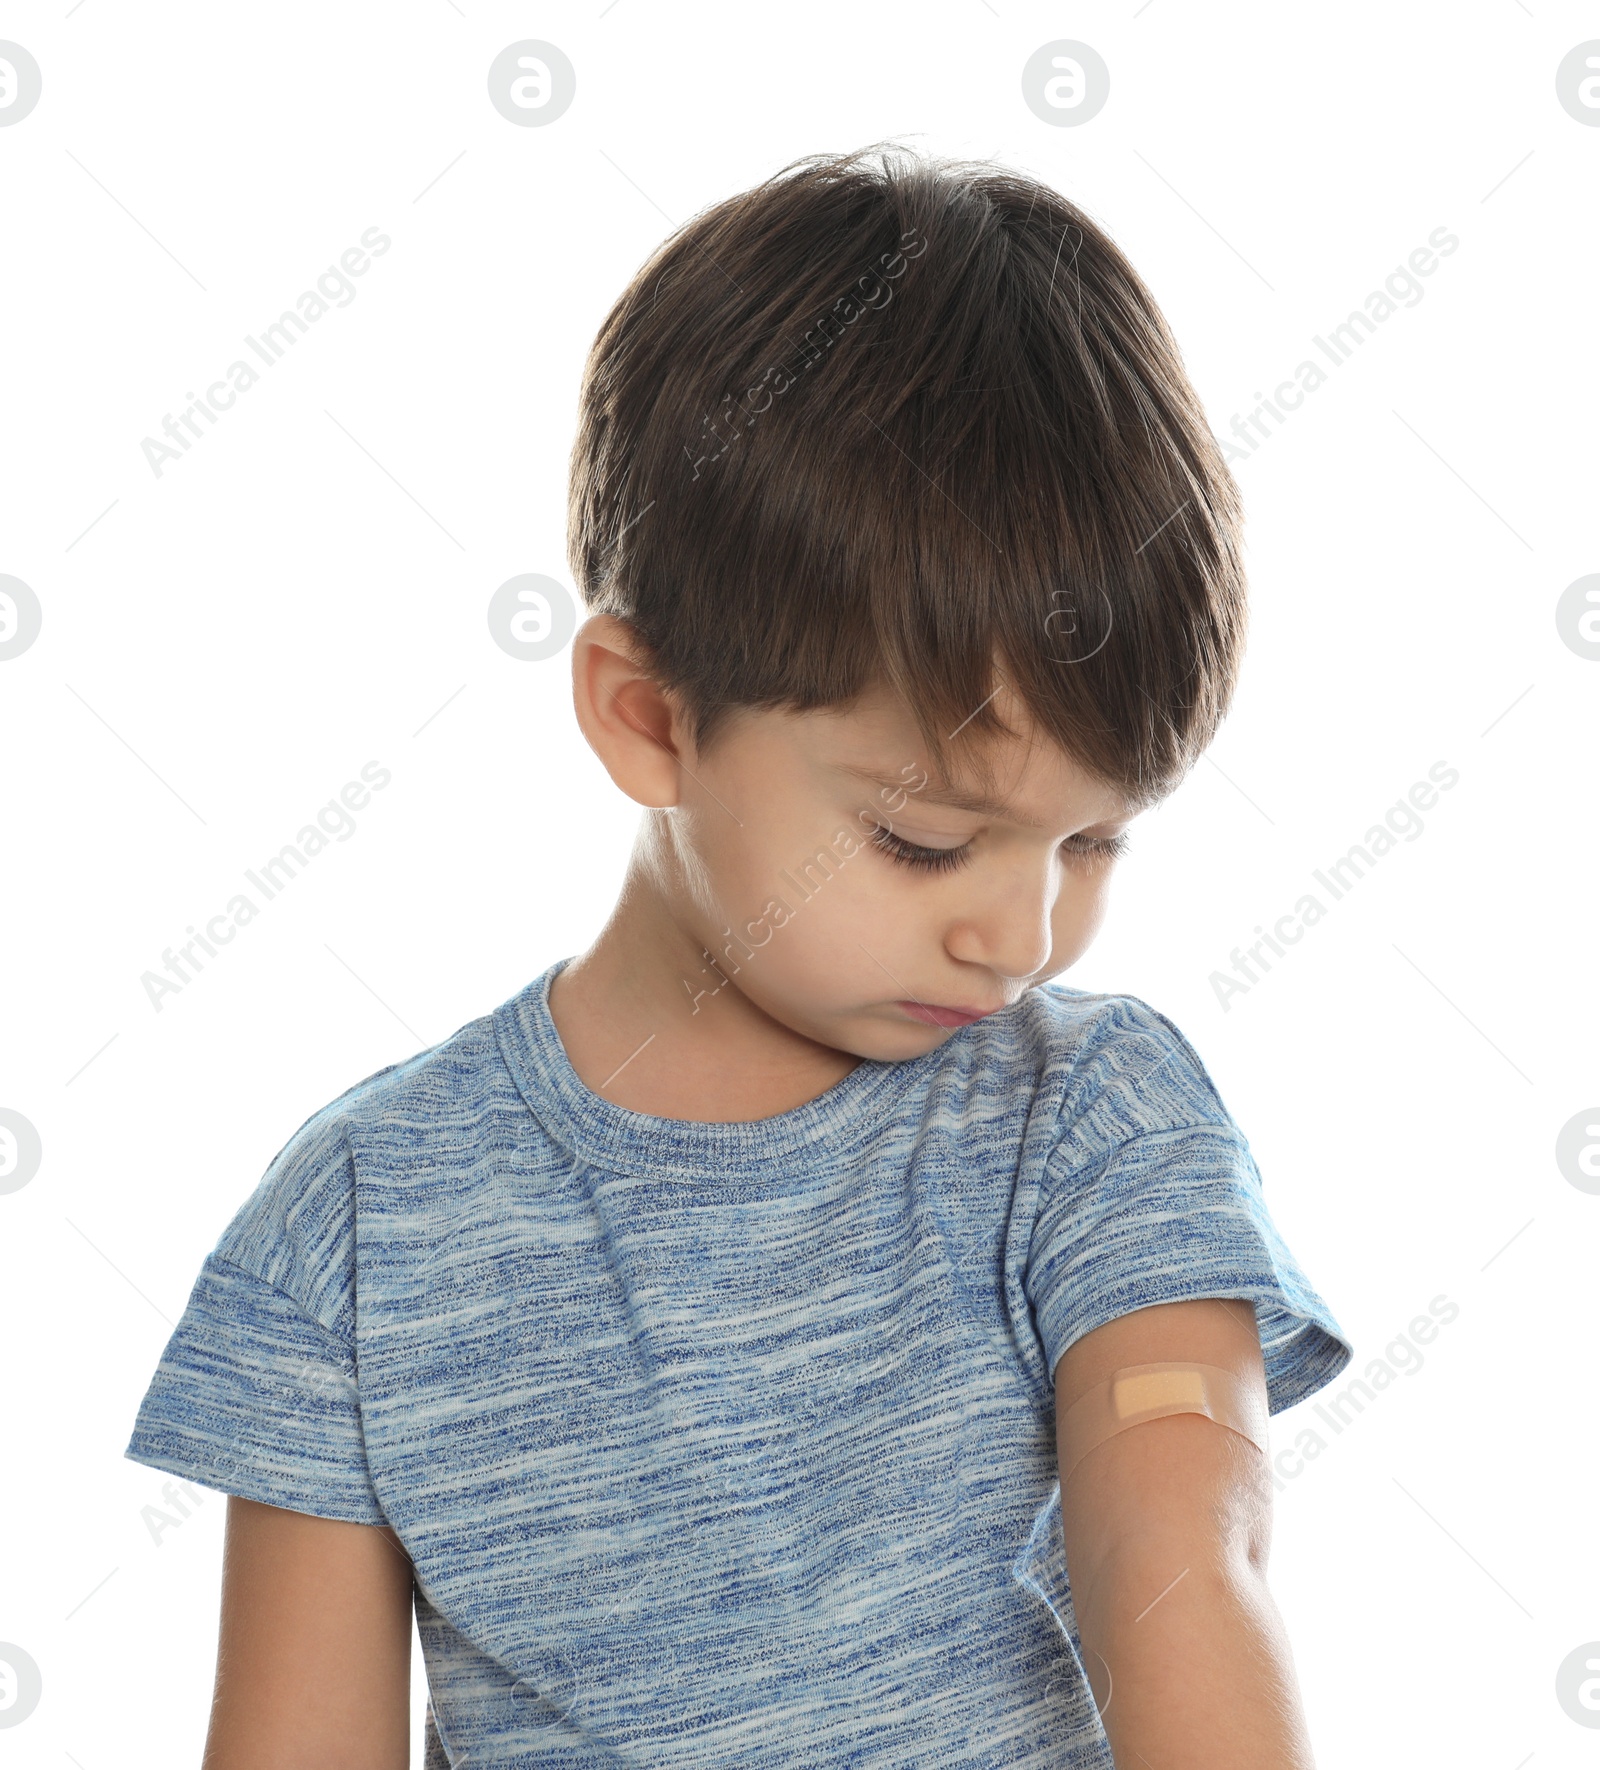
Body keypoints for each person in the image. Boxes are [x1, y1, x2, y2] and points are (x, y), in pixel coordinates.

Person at [127, 142, 1353, 1768]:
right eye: (927, 836)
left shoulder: (1092, 1126)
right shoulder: (357, 1234)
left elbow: (1186, 1554)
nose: (1023, 930)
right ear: (650, 715)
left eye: (1095, 840)